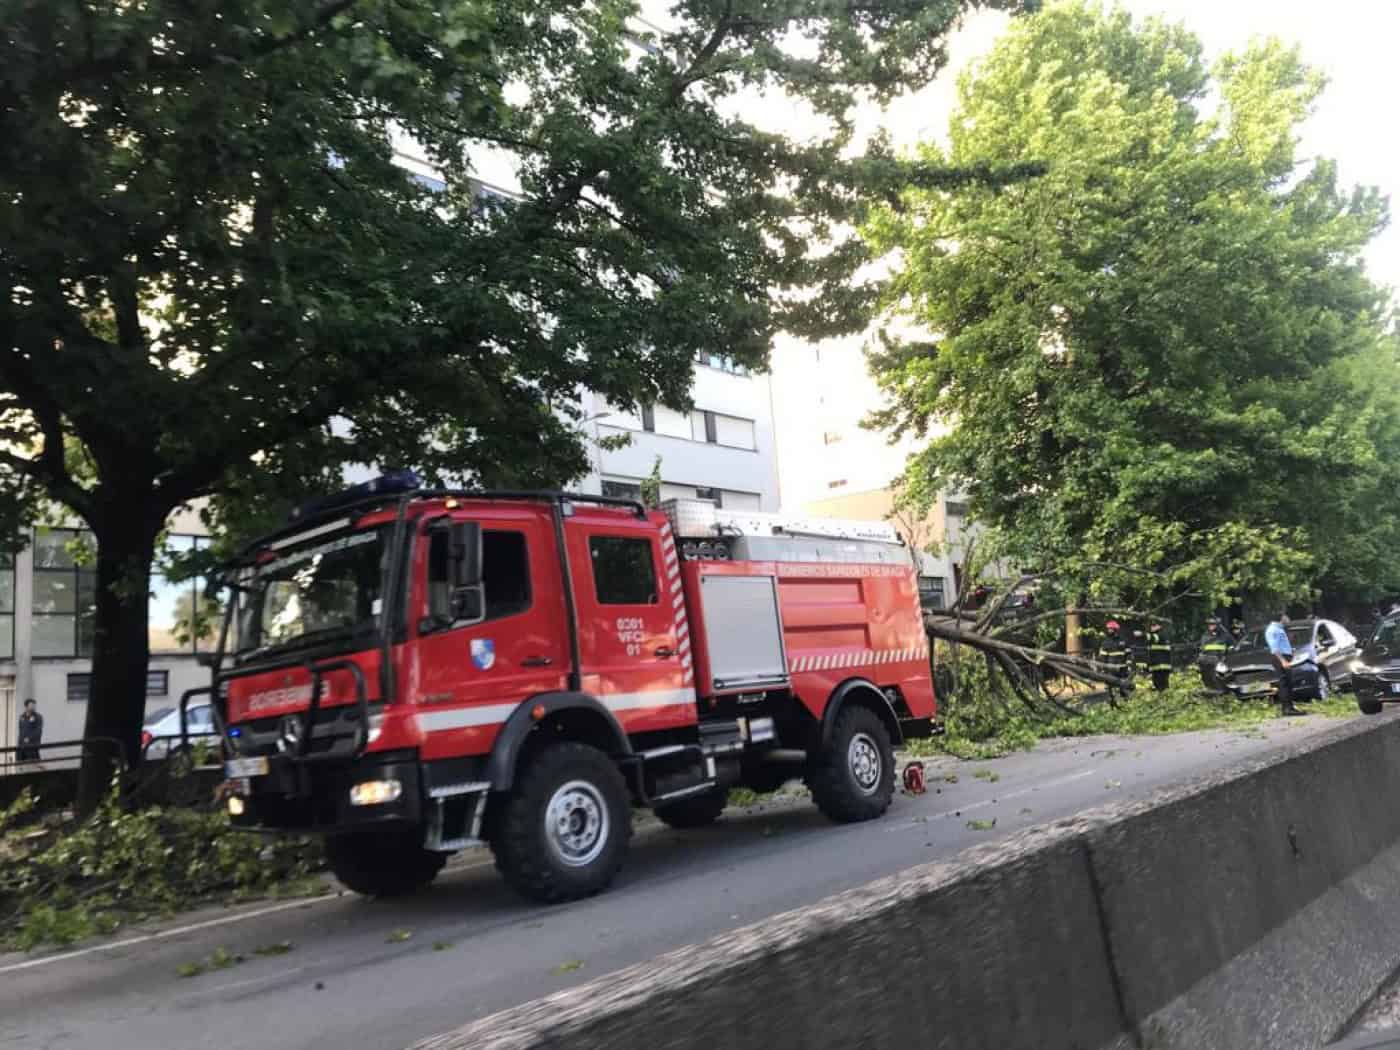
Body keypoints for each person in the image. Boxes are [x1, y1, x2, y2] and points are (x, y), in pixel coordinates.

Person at [1265, 611, 1304, 717]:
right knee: (1284, 684)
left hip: (1284, 657)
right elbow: (1274, 648)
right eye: (1286, 616)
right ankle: (1287, 709)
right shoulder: (1273, 629)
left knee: (1288, 683)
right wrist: (1283, 661)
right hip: (1280, 658)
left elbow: (1281, 645)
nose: (1288, 618)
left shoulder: (1279, 628)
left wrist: (1291, 651)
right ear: (1282, 617)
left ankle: (1290, 707)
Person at [1098, 620, 1130, 701]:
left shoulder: (1123, 641)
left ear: (1116, 630)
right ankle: (1113, 701)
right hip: (1111, 669)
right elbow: (1103, 657)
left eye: (1111, 629)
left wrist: (1128, 664)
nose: (1109, 630)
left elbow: (1128, 653)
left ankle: (1126, 700)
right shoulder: (1105, 642)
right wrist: (1103, 669)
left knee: (1123, 686)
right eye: (1108, 629)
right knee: (1111, 687)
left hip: (1123, 668)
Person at [1197, 618, 1232, 690]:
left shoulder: (1224, 636)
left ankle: (1222, 690)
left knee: (1219, 678)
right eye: (1209, 624)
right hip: (1207, 660)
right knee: (1207, 677)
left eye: (1213, 624)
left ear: (1217, 625)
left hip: (1220, 660)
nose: (1210, 626)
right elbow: (1202, 649)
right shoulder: (1205, 636)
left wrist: (1226, 656)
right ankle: (1211, 690)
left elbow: (1231, 647)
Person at [1147, 622, 1172, 692]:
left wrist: (1141, 634)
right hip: (1159, 665)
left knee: (1161, 684)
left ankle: (1164, 695)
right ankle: (1163, 695)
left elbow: (1149, 637)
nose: (1151, 627)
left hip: (1160, 665)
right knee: (1160, 684)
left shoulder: (1159, 635)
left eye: (1153, 626)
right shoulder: (1162, 635)